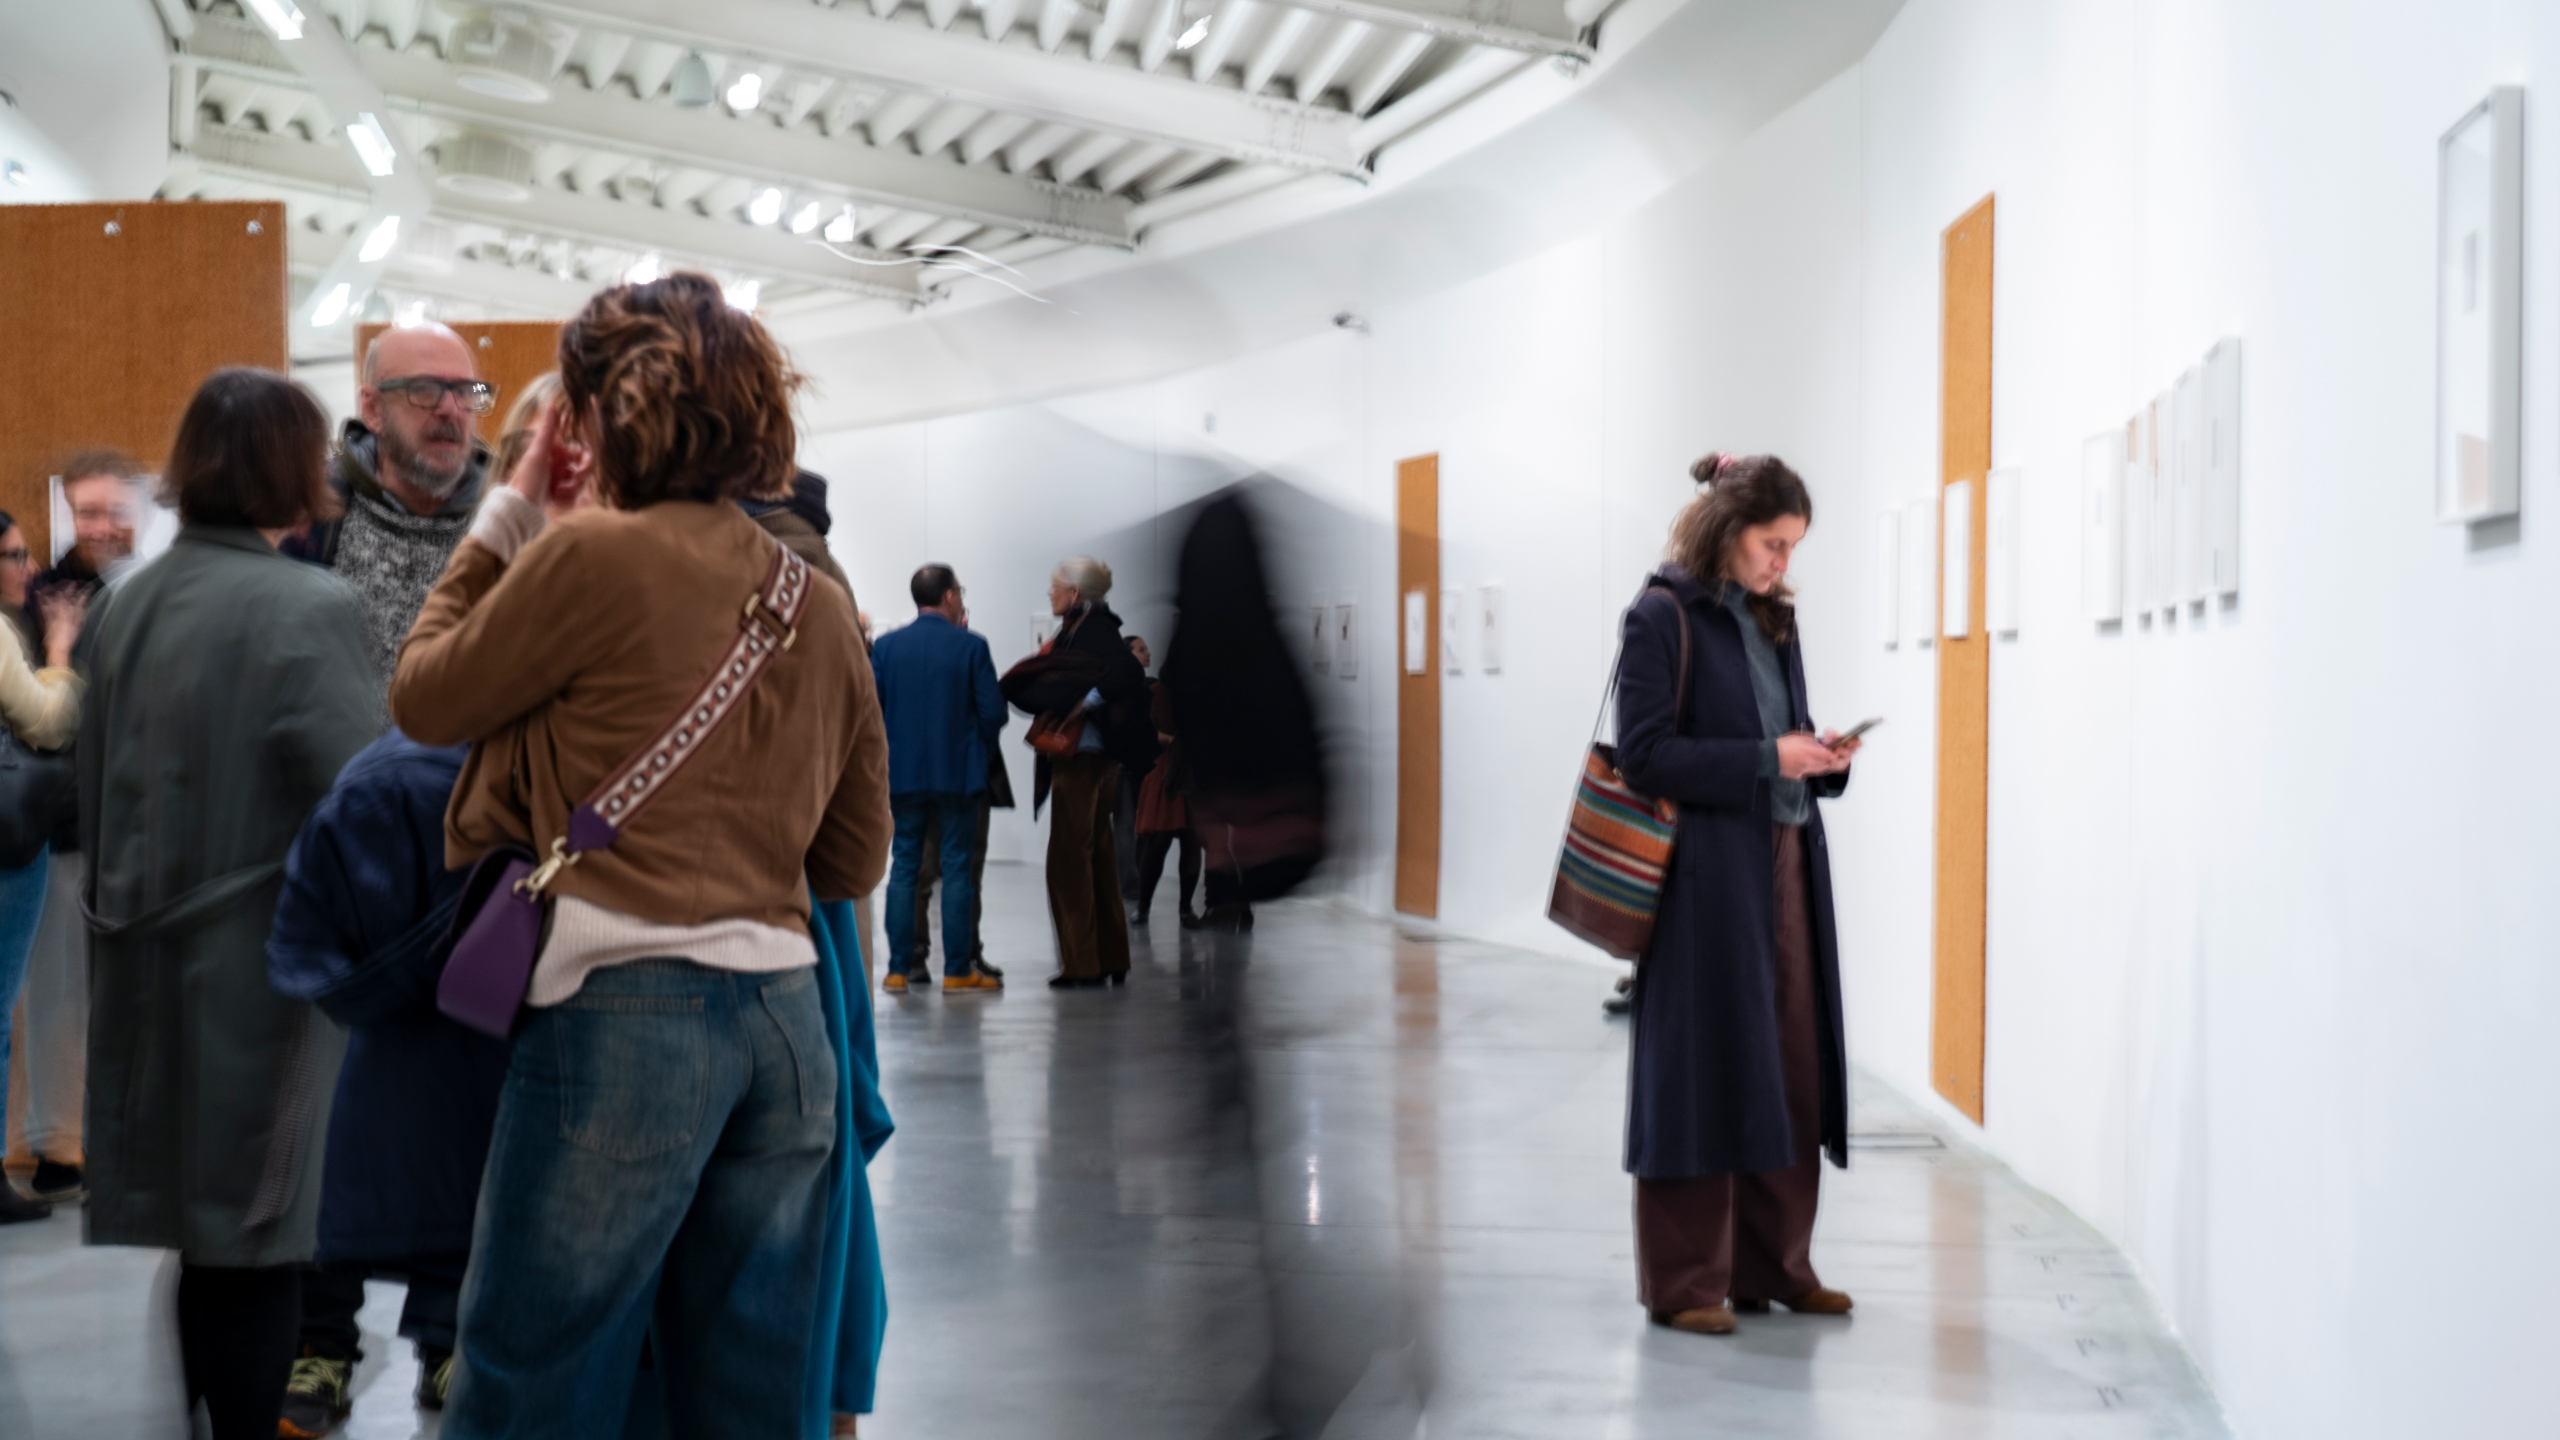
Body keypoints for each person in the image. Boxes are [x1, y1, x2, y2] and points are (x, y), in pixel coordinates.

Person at [390, 270, 891, 1437]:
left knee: (532, 1378)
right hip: (785, 1027)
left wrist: (512, 509)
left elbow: (423, 694)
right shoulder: (812, 602)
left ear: (598, 413)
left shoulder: (590, 562)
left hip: (619, 1016)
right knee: (751, 1397)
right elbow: (854, 857)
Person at [80, 368, 382, 1438]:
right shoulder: (313, 606)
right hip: (265, 978)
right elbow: (364, 800)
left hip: (137, 967)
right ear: (294, 467)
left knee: (200, 1235)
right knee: (260, 1236)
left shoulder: (125, 604)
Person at [1614, 452, 1862, 1338]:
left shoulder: (1775, 622)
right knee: (1704, 1067)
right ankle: (1686, 1282)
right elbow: (1643, 755)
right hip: (1703, 880)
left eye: (1793, 547)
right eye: (1773, 542)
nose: (1782, 563)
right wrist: (1768, 759)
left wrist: (1819, 758)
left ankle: (1778, 1268)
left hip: (1788, 861)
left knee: (1791, 1063)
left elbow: (1779, 739)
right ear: (1727, 528)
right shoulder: (1659, 617)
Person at [265, 733, 502, 1433]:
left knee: (461, 1130)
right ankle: (326, 1344)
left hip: (439, 814)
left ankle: (440, 1339)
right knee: (349, 1130)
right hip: (378, 833)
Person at [9, 451, 139, 1206]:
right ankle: (58, 1144)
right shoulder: (43, 595)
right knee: (55, 992)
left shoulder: (154, 591)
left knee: (111, 995)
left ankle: (98, 1140)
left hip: (130, 821)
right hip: (61, 821)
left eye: (113, 509)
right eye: (87, 510)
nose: (101, 525)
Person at [282, 320, 493, 690]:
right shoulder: (312, 514)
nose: (451, 409)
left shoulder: (511, 519)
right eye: (425, 390)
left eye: (465, 391)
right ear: (373, 409)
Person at [1003, 557, 1154, 989]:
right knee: (1098, 856)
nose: (1049, 594)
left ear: (1076, 594)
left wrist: (1085, 702)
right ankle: (1110, 957)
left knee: (1069, 861)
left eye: (1056, 587)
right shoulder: (1084, 628)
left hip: (1083, 761)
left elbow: (1126, 670)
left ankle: (1082, 965)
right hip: (1094, 760)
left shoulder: (1094, 629)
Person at [0, 508, 84, 1225]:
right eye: (14, 556)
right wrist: (58, 650)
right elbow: (49, 721)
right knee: (1, 1011)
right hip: (8, 844)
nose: (28, 571)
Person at [870, 564, 1005, 995]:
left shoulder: (886, 649)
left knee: (905, 867)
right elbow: (993, 714)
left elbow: (871, 712)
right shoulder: (971, 647)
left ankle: (897, 970)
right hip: (958, 775)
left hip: (903, 776)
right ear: (949, 596)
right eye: (960, 593)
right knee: (958, 870)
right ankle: (958, 970)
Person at [1130, 665, 1201, 929]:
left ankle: (1185, 908)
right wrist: (1173, 741)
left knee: (1190, 839)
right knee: (1158, 840)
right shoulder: (1155, 693)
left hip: (1189, 770)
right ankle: (1144, 906)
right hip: (1164, 768)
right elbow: (1145, 730)